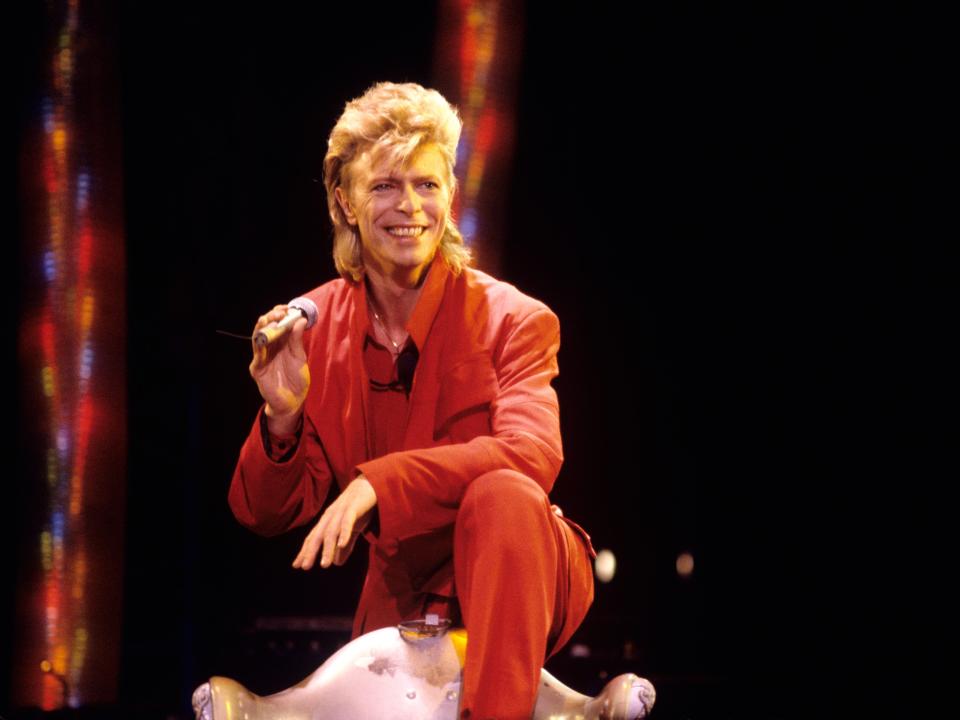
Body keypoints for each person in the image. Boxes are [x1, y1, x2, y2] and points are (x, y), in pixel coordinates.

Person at [228, 82, 596, 719]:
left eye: (427, 184)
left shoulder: (516, 318)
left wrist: (377, 485)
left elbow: (532, 455)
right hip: (404, 588)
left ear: (450, 195)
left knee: (503, 492)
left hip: (523, 565)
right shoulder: (313, 327)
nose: (410, 206)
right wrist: (280, 416)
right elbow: (262, 513)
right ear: (344, 202)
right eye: (384, 186)